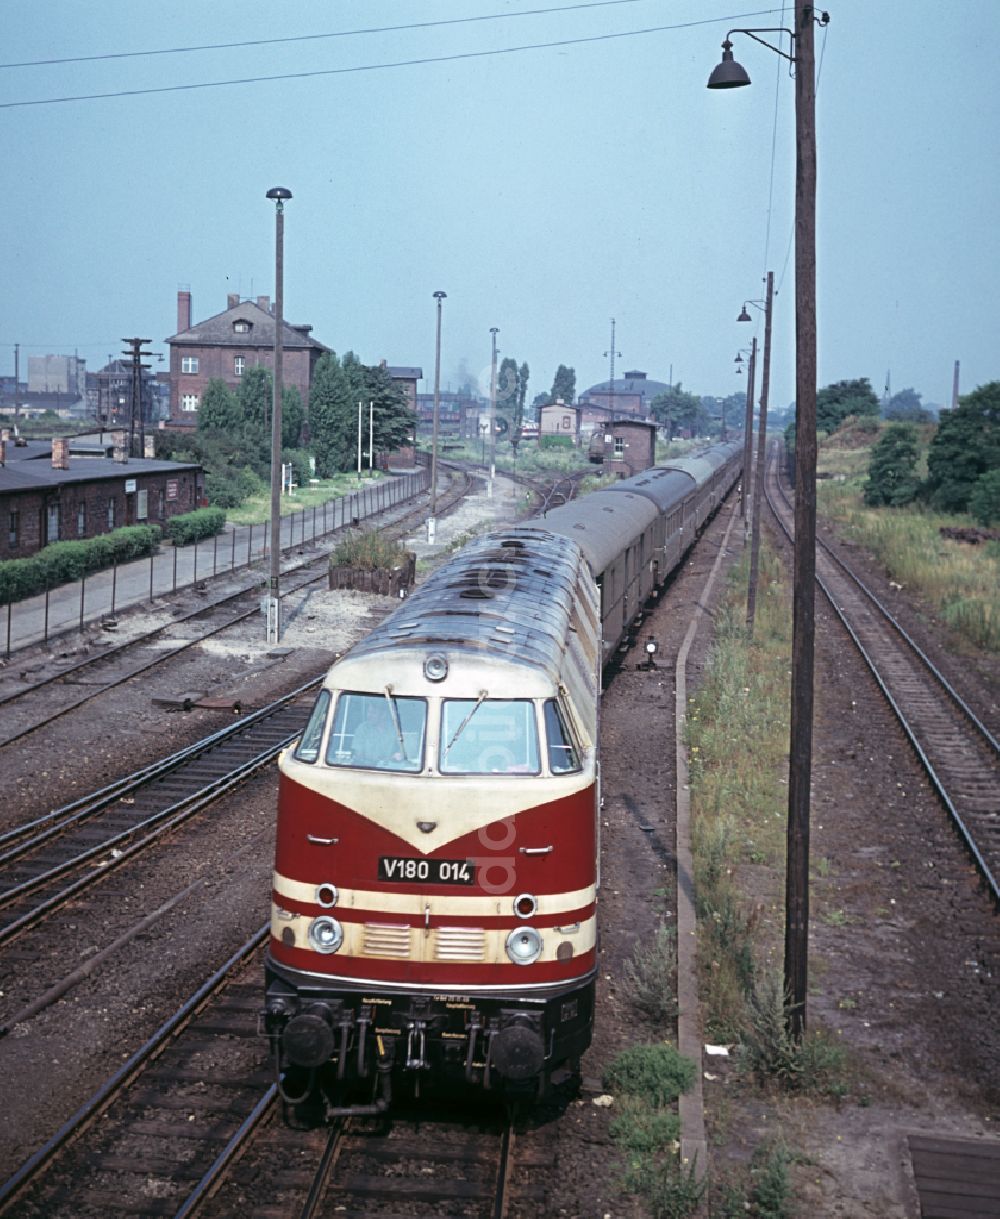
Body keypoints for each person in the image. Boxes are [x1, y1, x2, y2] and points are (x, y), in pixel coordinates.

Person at [351, 700, 403, 767]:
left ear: (383, 715)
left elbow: (402, 751)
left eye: (373, 713)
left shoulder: (393, 730)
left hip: (388, 770)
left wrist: (399, 755)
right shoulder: (362, 729)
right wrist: (388, 758)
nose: (369, 715)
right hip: (366, 769)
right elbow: (358, 755)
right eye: (368, 712)